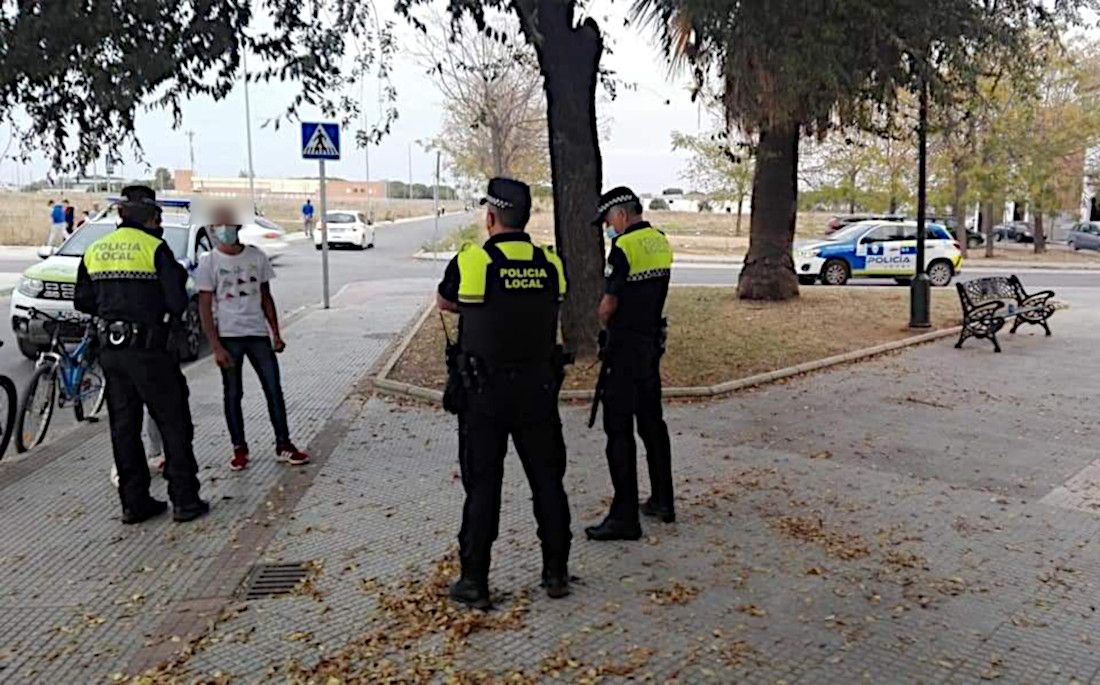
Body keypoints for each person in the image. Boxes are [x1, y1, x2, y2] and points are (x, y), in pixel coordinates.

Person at [436, 177, 572, 609]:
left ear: (490, 217)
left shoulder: (471, 261)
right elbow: (553, 302)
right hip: (538, 391)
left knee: (483, 488)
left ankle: (474, 581)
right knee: (549, 484)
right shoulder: (551, 263)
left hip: (484, 395)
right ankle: (556, 574)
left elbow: (446, 302)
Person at [74, 185, 207, 524]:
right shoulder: (155, 249)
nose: (160, 222)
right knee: (173, 422)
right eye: (158, 216)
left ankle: (134, 503)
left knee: (124, 426)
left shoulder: (95, 249)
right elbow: (178, 303)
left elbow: (82, 300)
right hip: (150, 352)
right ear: (150, 217)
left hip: (112, 353)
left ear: (121, 215)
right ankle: (185, 500)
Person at [585, 186, 675, 542]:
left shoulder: (623, 247)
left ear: (621, 215)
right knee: (652, 424)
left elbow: (609, 304)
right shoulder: (660, 240)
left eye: (608, 220)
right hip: (651, 345)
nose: (608, 227)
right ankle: (663, 500)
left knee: (618, 430)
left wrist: (602, 322)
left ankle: (624, 516)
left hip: (623, 350)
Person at [195, 206, 310, 471]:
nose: (224, 229)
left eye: (228, 224)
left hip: (257, 334)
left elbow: (266, 296)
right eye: (219, 225)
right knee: (233, 393)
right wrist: (215, 346)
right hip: (229, 337)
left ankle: (284, 444)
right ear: (213, 230)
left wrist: (276, 333)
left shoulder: (256, 257)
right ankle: (239, 448)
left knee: (273, 389)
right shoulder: (209, 262)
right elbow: (204, 305)